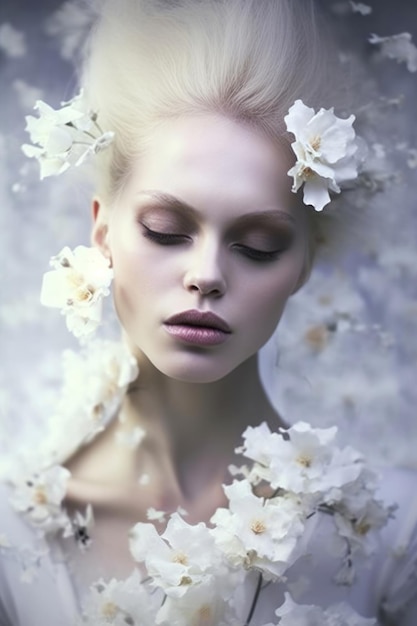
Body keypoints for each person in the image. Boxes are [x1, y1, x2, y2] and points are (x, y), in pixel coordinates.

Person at [0, 0, 417, 624]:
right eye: (167, 231)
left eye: (258, 246)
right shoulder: (14, 537)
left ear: (304, 261)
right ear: (103, 232)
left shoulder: (394, 535)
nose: (207, 275)